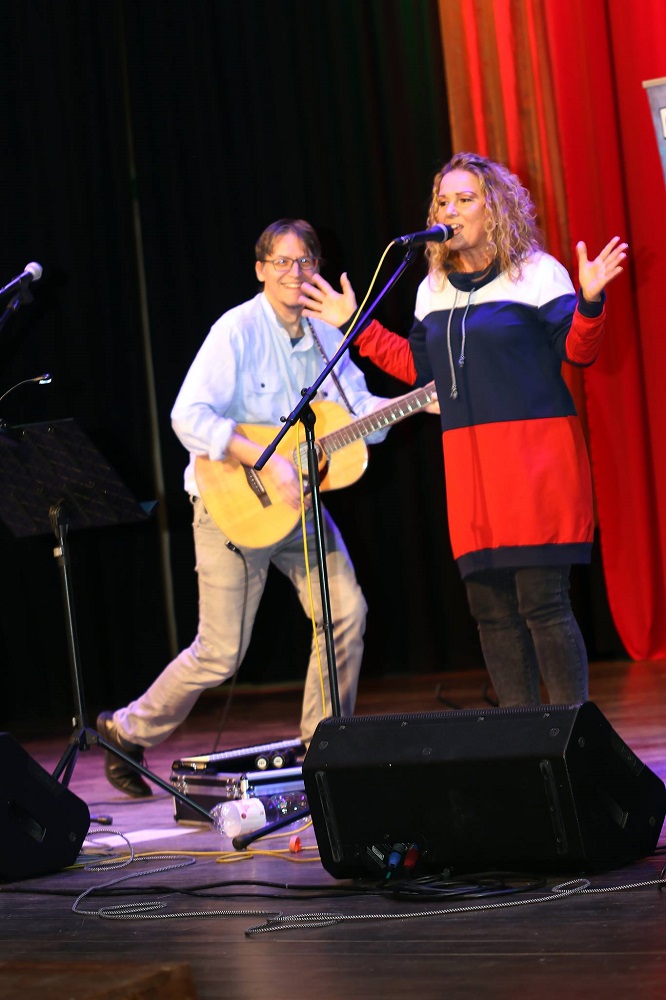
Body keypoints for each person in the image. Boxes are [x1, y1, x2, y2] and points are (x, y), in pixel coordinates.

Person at [299, 152, 628, 708]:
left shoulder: (537, 273)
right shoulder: (433, 287)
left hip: (537, 462)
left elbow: (578, 351)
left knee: (543, 603)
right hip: (473, 469)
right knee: (491, 611)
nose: (449, 211)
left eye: (464, 199)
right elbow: (418, 369)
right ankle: (522, 739)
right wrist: (354, 325)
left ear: (494, 208)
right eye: (442, 201)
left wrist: (590, 302)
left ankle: (574, 736)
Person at [98, 218, 401, 798]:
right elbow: (188, 416)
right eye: (282, 262)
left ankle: (321, 749)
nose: (295, 272)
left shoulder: (326, 333)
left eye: (305, 261)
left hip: (300, 507)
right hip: (230, 508)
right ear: (261, 270)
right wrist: (263, 459)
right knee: (220, 654)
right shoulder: (235, 330)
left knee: (346, 613)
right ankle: (124, 730)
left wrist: (415, 402)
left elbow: (360, 411)